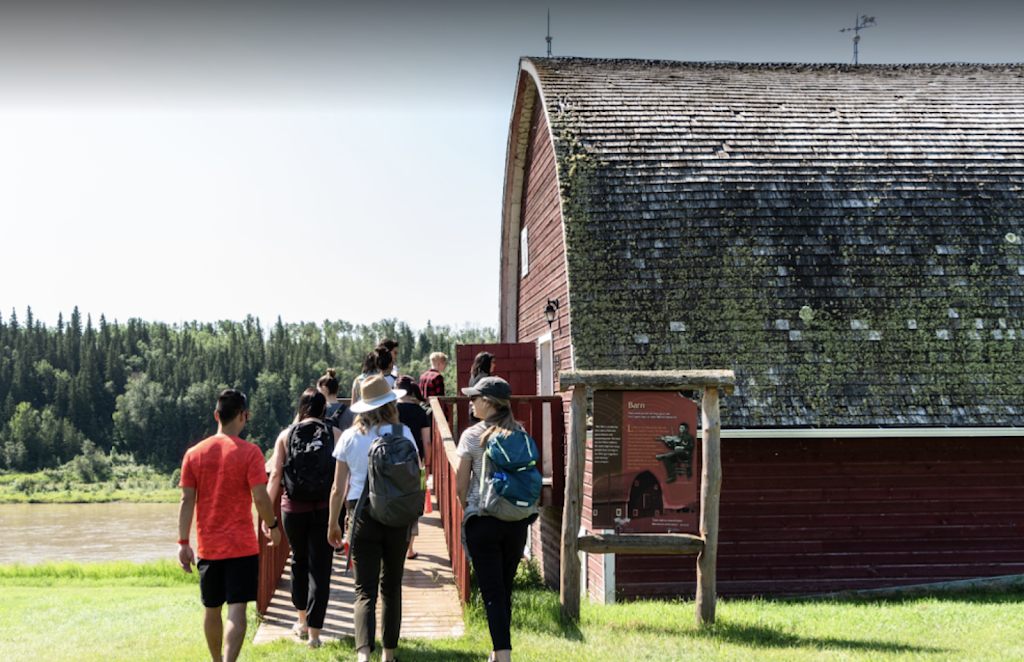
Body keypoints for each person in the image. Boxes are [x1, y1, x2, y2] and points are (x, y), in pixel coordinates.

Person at [177, 389, 281, 662]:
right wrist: (273, 526)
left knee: (211, 609)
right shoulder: (251, 452)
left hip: (208, 547)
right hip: (242, 547)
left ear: (216, 416)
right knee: (237, 610)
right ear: (243, 416)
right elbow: (260, 497)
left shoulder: (193, 454)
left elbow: (186, 500)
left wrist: (183, 543)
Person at [328, 375, 418, 662]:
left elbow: (337, 488)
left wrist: (333, 524)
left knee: (364, 590)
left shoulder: (350, 438)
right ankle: (389, 655)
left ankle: (363, 655)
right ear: (391, 403)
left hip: (361, 515)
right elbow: (413, 478)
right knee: (391, 587)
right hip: (397, 517)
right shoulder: (404, 434)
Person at [456, 376, 532, 662]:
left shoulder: (471, 435)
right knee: (504, 587)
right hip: (516, 520)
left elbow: (461, 485)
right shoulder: (520, 432)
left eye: (474, 397)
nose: (471, 402)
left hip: (483, 519)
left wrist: (468, 508)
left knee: (492, 591)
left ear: (487, 402)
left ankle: (503, 656)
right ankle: (498, 651)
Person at [267, 389, 344, 649]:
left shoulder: (285, 435)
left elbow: (275, 476)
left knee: (298, 561)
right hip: (324, 509)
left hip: (293, 510)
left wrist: (268, 517)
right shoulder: (335, 434)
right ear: (324, 410)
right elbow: (343, 478)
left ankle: (301, 621)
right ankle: (314, 636)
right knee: (320, 569)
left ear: (301, 408)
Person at [395, 375, 432, 559]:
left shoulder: (391, 410)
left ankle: (395, 547)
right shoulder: (420, 411)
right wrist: (428, 464)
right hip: (415, 464)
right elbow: (427, 442)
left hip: (392, 462)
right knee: (414, 503)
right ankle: (409, 549)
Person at [468, 351, 496, 424]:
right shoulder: (485, 378)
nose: (494, 365)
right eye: (492, 362)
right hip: (482, 414)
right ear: (486, 363)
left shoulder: (473, 377)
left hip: (473, 412)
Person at [418, 352, 448, 419]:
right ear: (438, 363)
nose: (445, 366)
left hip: (422, 410)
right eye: (444, 363)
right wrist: (446, 415)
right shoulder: (438, 377)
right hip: (434, 412)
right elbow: (441, 398)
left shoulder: (422, 376)